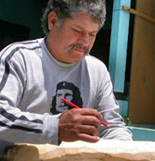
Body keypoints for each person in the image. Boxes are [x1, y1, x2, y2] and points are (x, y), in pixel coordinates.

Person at [0, 0, 132, 157]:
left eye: (92, 34)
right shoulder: (18, 58)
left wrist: (127, 151)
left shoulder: (98, 71)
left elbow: (112, 127)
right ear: (53, 21)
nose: (85, 42)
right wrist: (54, 128)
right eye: (77, 31)